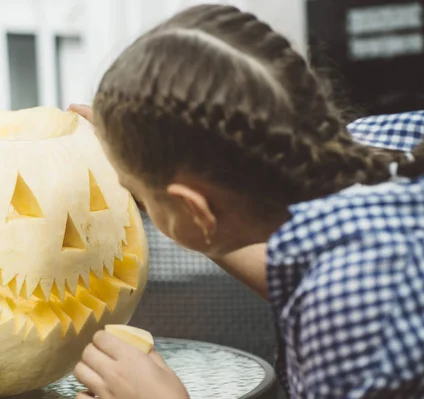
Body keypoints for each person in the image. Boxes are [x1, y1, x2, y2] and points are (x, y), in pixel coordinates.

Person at [68, 4, 424, 399]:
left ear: (194, 209)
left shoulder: (348, 301)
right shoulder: (388, 146)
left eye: (138, 192)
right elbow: (287, 260)